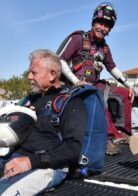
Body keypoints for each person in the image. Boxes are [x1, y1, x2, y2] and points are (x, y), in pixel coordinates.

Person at [0, 49, 87, 195]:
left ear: (52, 74)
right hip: (15, 157)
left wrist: (31, 161)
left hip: (49, 166)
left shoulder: (72, 103)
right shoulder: (30, 100)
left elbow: (73, 148)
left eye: (34, 73)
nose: (29, 77)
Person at [57, 2, 134, 99]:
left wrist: (129, 85)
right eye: (100, 23)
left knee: (125, 96)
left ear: (109, 30)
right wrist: (76, 82)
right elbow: (59, 60)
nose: (102, 28)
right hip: (71, 87)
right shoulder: (78, 38)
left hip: (93, 87)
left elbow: (112, 68)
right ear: (93, 23)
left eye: (106, 26)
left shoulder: (105, 48)